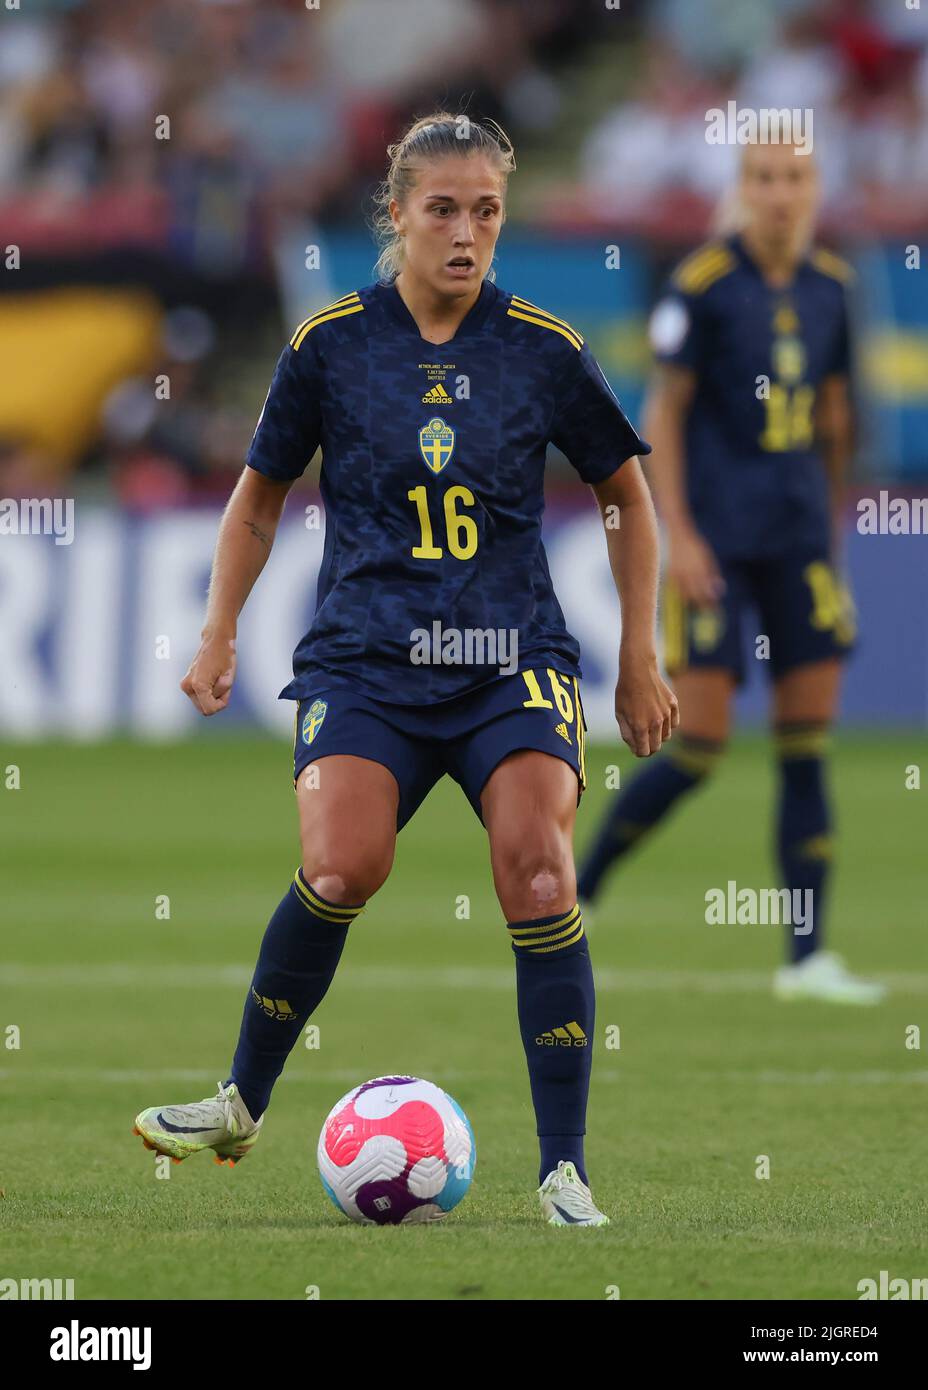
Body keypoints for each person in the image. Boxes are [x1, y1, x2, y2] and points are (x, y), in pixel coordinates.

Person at [133, 112, 678, 1225]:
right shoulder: (331, 343)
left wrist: (641, 656)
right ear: (396, 215)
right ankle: (242, 1098)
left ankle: (563, 1168)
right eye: (443, 209)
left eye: (486, 210)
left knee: (537, 872)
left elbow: (626, 494)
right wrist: (217, 630)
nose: (467, 232)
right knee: (342, 870)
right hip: (367, 661)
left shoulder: (542, 349)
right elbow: (259, 497)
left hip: (505, 658)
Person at [578, 138, 884, 1006]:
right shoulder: (704, 285)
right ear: (742, 189)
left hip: (799, 544)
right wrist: (681, 534)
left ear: (815, 189)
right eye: (763, 179)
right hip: (717, 540)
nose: (779, 194)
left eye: (794, 179)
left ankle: (807, 958)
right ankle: (581, 890)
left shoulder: (833, 287)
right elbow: (663, 414)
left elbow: (835, 418)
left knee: (805, 749)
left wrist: (834, 545)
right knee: (699, 746)